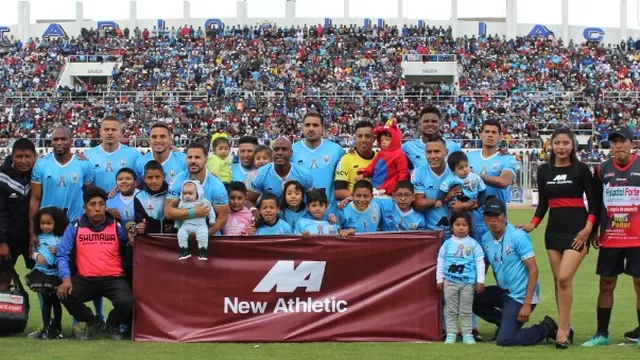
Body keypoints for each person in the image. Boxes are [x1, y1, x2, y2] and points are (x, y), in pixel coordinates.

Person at [517, 127, 596, 348]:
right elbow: (543, 204)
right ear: (551, 145)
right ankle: (566, 325)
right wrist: (532, 225)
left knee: (563, 278)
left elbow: (594, 202)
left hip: (578, 232)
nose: (561, 147)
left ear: (573, 145)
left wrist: (588, 229)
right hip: (553, 233)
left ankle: (562, 329)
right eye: (557, 143)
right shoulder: (544, 171)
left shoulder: (581, 170)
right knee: (559, 281)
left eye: (565, 143)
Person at [582, 126, 640, 348]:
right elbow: (596, 203)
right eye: (614, 143)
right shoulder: (601, 169)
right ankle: (601, 334)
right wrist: (594, 229)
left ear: (631, 144)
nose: (618, 146)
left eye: (622, 141)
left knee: (639, 284)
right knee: (606, 284)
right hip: (611, 237)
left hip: (637, 238)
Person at [473, 197, 558, 347]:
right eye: (489, 216)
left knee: (505, 340)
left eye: (497, 216)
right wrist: (479, 282)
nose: (493, 221)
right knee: (470, 297)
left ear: (505, 217)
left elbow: (533, 270)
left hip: (520, 296)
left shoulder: (518, 236)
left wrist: (527, 303)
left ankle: (546, 328)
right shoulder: (486, 238)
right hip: (503, 292)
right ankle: (504, 321)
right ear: (484, 219)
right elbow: (485, 262)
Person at [56, 186, 135, 341]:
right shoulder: (75, 227)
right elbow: (62, 254)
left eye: (101, 204)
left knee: (127, 301)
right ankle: (94, 321)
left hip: (113, 278)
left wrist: (131, 244)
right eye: (93, 204)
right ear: (85, 207)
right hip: (85, 279)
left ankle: (112, 323)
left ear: (106, 206)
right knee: (64, 293)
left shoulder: (116, 226)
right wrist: (66, 278)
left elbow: (127, 249)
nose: (98, 209)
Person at [436, 211, 485, 345]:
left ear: (469, 227)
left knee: (466, 309)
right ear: (452, 227)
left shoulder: (474, 244)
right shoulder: (446, 244)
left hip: (468, 283)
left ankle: (467, 334)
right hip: (450, 283)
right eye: (457, 224)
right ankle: (451, 333)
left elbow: (480, 262)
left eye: (464, 225)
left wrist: (480, 281)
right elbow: (440, 261)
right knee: (451, 309)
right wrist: (439, 280)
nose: (461, 227)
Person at [466, 119, 520, 239]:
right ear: (480, 134)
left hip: (496, 220)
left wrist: (476, 176)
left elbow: (504, 182)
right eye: (487, 131)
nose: (490, 135)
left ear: (500, 136)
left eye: (494, 132)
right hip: (470, 221)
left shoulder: (507, 159)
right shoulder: (468, 157)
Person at [164, 142, 229, 236]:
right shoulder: (177, 180)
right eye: (190, 157)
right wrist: (193, 212)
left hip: (209, 239)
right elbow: (168, 212)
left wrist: (204, 235)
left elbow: (222, 219)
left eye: (197, 157)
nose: (193, 161)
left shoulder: (217, 186)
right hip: (184, 237)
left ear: (206, 160)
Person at [24, 207, 69, 340]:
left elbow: (66, 250)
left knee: (56, 302)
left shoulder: (60, 237)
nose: (45, 226)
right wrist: (37, 256)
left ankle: (58, 328)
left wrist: (58, 249)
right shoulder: (38, 237)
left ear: (57, 223)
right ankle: (46, 327)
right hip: (42, 274)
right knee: (45, 302)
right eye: (43, 223)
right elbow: (33, 251)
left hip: (56, 274)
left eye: (49, 223)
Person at [292, 113, 345, 211]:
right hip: (301, 213)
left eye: (315, 125)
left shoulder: (336, 150)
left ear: (322, 129)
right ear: (302, 128)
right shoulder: (292, 150)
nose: (311, 128)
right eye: (307, 125)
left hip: (329, 213)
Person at [0, 138, 37, 271]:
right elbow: (1, 213)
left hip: (33, 237)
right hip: (9, 238)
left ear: (34, 156)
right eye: (19, 156)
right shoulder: (2, 176)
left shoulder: (39, 174)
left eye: (27, 156)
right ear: (12, 156)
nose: (23, 161)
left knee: (42, 278)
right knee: (3, 279)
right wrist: (2, 242)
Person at [248, 137, 313, 204]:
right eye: (276, 149)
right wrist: (254, 210)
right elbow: (249, 201)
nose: (279, 153)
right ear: (272, 153)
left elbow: (313, 200)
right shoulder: (261, 174)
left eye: (284, 149)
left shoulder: (303, 174)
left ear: (291, 153)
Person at [84, 116, 141, 193]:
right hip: (99, 204)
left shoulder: (134, 154)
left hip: (125, 204)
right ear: (100, 132)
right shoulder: (88, 155)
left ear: (120, 133)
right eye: (106, 129)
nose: (110, 133)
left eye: (113, 130)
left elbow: (140, 181)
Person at [357, 118, 409, 196]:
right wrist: (363, 174)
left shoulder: (399, 154)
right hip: (376, 188)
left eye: (387, 139)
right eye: (381, 140)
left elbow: (402, 173)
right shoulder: (381, 153)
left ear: (395, 139)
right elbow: (372, 166)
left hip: (390, 191)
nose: (383, 142)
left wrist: (399, 189)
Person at [402, 106, 461, 170]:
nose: (430, 124)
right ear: (419, 124)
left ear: (440, 124)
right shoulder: (407, 147)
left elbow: (465, 172)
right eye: (426, 121)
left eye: (434, 121)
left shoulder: (453, 147)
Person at [334, 120, 376, 201]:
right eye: (360, 136)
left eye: (367, 136)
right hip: (356, 209)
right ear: (355, 138)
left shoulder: (381, 158)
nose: (363, 140)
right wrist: (363, 199)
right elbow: (338, 192)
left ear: (373, 139)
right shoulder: (346, 159)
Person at [175, 180, 216, 260]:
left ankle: (202, 251)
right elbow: (178, 214)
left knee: (203, 236)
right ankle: (184, 250)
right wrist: (177, 223)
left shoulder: (203, 202)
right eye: (185, 193)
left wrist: (212, 219)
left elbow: (210, 210)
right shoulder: (182, 203)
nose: (187, 196)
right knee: (181, 234)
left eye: (190, 194)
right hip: (186, 226)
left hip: (200, 226)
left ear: (198, 193)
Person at [134, 160, 172, 234]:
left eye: (157, 177)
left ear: (164, 176)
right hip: (149, 241)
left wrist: (172, 226)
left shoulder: (172, 194)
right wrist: (141, 227)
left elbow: (176, 221)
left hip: (170, 239)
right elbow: (140, 222)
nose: (154, 181)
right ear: (144, 178)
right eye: (150, 177)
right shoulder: (139, 197)